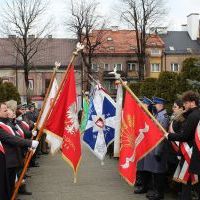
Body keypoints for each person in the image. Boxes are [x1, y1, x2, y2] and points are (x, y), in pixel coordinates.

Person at [0, 102, 39, 197]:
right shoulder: (2, 125)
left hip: (12, 160)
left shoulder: (6, 123)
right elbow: (10, 138)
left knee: (10, 189)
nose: (7, 112)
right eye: (5, 110)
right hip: (6, 161)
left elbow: (17, 136)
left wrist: (28, 145)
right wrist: (30, 143)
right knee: (5, 191)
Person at [167, 91, 200, 200]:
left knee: (186, 183)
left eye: (186, 103)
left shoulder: (193, 116)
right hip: (192, 152)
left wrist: (169, 135)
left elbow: (184, 136)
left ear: (192, 102)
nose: (184, 105)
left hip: (189, 153)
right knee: (190, 183)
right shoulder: (195, 114)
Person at [143, 97, 169, 200]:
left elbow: (161, 135)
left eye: (156, 104)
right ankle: (155, 191)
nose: (154, 106)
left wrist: (158, 151)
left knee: (159, 172)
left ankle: (159, 194)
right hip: (155, 147)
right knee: (155, 171)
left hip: (160, 149)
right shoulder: (158, 115)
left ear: (161, 105)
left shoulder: (163, 117)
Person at [134, 97, 154, 194]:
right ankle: (141, 184)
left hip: (146, 145)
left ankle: (145, 186)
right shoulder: (141, 114)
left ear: (147, 106)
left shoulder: (149, 116)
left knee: (146, 167)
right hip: (140, 144)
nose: (140, 105)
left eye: (143, 104)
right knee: (141, 166)